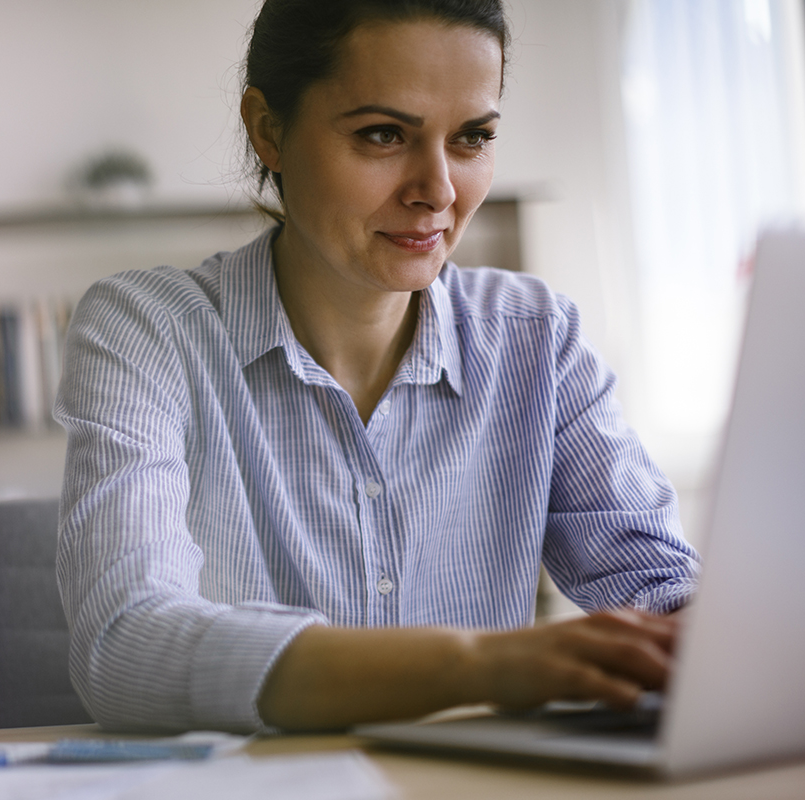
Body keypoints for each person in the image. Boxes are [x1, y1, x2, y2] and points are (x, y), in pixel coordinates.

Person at [55, 0, 700, 734]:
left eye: (472, 138)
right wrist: (479, 666)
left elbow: (668, 591)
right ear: (268, 129)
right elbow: (125, 647)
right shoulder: (149, 332)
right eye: (383, 135)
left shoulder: (537, 340)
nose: (439, 191)